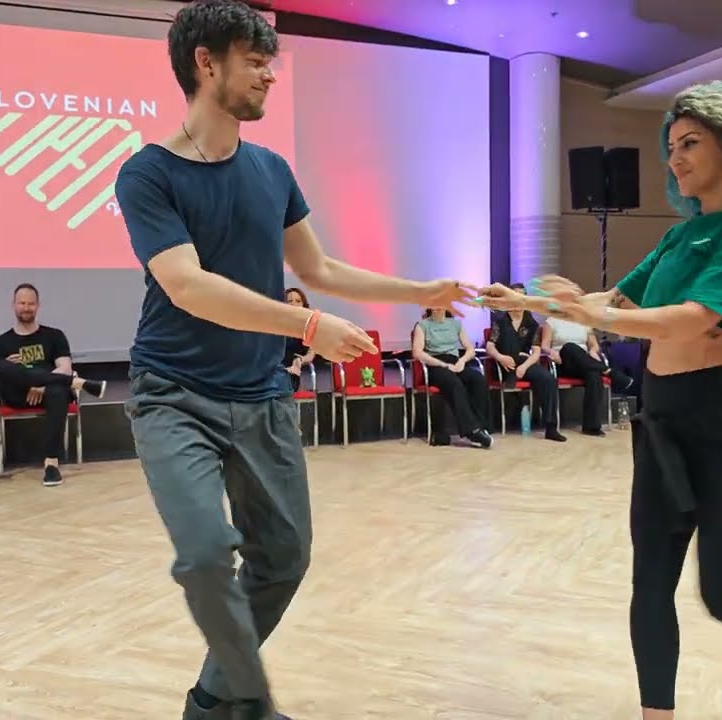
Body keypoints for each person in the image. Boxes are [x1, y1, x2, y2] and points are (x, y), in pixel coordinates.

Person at [111, 3, 473, 718]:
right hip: (173, 394)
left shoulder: (272, 170)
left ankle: (216, 700)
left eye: (269, 62)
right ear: (205, 63)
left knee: (283, 559)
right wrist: (307, 324)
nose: (269, 75)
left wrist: (420, 291)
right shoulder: (147, 173)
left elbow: (320, 268)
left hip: (260, 395)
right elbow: (188, 286)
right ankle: (236, 703)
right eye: (254, 61)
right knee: (206, 555)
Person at [478, 80, 722, 720]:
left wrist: (595, 315)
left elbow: (692, 319)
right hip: (664, 425)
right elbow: (612, 302)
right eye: (671, 147)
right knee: (649, 585)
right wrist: (530, 301)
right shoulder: (682, 237)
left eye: (690, 144)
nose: (675, 159)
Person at [0, 283, 106, 486]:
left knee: (58, 391)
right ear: (13, 305)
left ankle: (51, 464)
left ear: (38, 305)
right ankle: (78, 383)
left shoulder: (54, 336)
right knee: (4, 367)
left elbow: (65, 367)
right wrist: (29, 382)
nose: (26, 308)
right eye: (22, 303)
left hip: (50, 392)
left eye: (31, 304)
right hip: (19, 394)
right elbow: (4, 375)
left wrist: (40, 386)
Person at [485, 285, 565, 441]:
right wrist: (500, 357)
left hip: (524, 366)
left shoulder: (531, 323)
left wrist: (524, 366)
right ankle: (515, 367)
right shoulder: (500, 322)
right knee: (519, 355)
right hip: (504, 365)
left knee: (548, 379)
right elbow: (490, 346)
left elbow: (536, 352)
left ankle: (551, 428)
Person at [412, 307, 494, 447]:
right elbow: (417, 353)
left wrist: (462, 361)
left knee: (478, 379)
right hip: (435, 364)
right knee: (454, 383)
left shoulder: (455, 324)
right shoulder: (422, 325)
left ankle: (481, 426)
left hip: (455, 361)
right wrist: (444, 365)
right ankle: (472, 430)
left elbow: (470, 349)